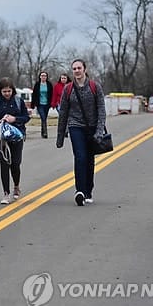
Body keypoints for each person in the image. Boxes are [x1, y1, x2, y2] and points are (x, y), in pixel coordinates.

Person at [56, 59, 106, 206]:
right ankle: (80, 191)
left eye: (79, 68)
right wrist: (60, 137)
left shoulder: (94, 87)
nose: (76, 71)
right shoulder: (68, 89)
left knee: (90, 160)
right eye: (74, 69)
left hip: (92, 127)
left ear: (84, 69)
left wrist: (99, 131)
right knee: (80, 157)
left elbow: (101, 110)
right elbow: (63, 113)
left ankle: (88, 191)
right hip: (75, 126)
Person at [0, 77, 30, 205]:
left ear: (13, 90)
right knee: (4, 163)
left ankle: (16, 186)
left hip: (17, 135)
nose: (7, 94)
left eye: (9, 91)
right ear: (0, 91)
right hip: (2, 138)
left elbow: (26, 117)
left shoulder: (19, 102)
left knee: (15, 163)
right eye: (4, 91)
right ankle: (5, 193)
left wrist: (14, 119)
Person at [31, 71, 53, 138]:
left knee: (44, 118)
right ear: (40, 77)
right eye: (42, 76)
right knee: (43, 118)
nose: (43, 77)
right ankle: (45, 133)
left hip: (47, 104)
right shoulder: (37, 84)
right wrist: (33, 104)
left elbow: (52, 94)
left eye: (45, 76)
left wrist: (52, 103)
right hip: (39, 104)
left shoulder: (49, 84)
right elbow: (34, 94)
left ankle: (42, 132)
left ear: (46, 77)